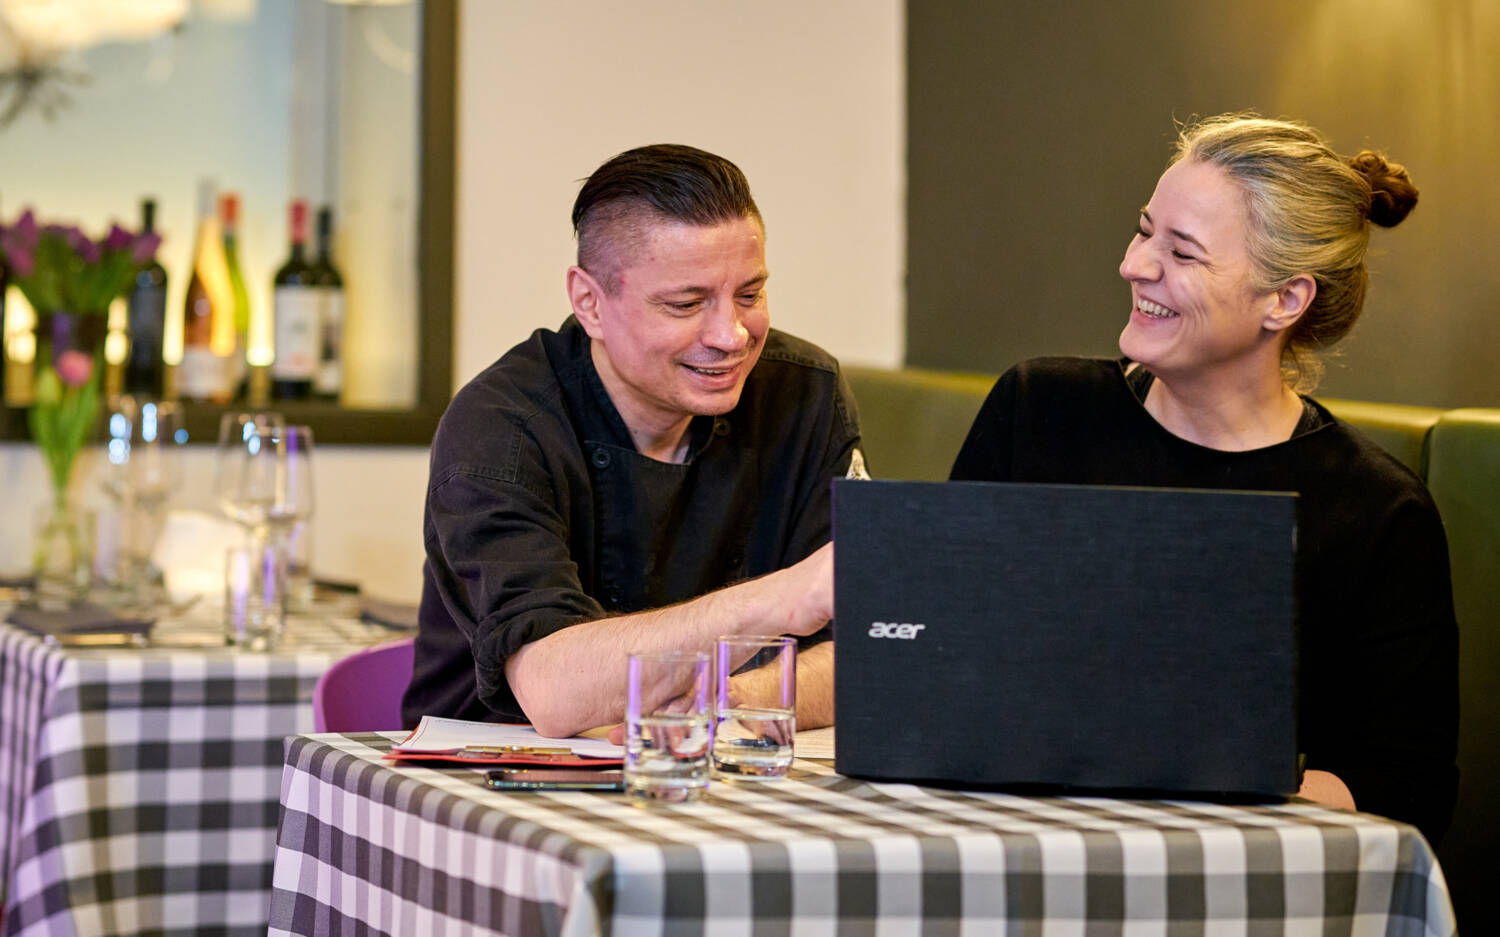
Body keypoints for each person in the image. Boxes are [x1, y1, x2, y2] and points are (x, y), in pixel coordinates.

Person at [950, 114, 1458, 843]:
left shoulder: (1376, 511)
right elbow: (942, 660)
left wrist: (1178, 818)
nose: (1135, 264)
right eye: (1144, 229)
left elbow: (1403, 782)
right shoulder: (1038, 411)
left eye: (1182, 252)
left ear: (1284, 300)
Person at [403, 144, 863, 739]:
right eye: (686, 304)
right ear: (590, 303)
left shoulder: (806, 395)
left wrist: (723, 701)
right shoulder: (502, 426)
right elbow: (554, 691)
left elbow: (868, 651)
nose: (730, 335)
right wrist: (778, 601)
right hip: (494, 782)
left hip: (713, 772)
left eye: (749, 295)